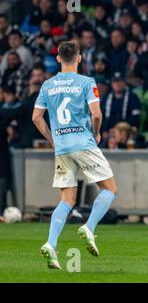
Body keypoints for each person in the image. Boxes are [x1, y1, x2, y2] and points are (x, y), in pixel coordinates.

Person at [32, 41, 118, 269]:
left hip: (61, 147)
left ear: (59, 59)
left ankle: (51, 244)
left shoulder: (48, 85)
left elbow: (36, 117)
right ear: (79, 58)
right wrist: (96, 133)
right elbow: (96, 114)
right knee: (110, 189)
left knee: (67, 200)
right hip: (83, 142)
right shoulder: (87, 82)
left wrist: (52, 140)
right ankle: (88, 227)